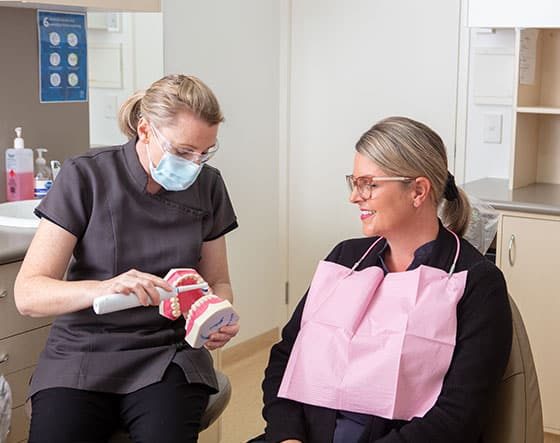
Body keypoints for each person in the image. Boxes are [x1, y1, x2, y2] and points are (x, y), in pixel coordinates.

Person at [14, 74, 239, 443]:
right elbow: (28, 294)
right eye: (183, 152)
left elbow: (218, 283)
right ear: (145, 130)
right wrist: (104, 288)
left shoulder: (209, 185)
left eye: (205, 153)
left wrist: (218, 315)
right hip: (82, 352)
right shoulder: (86, 175)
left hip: (168, 354)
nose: (194, 165)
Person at [259, 116, 512, 443]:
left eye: (370, 184)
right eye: (355, 182)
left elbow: (457, 416)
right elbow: (286, 357)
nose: (355, 196)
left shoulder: (476, 283)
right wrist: (286, 436)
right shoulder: (345, 259)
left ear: (418, 191)